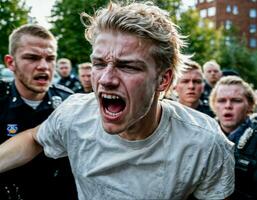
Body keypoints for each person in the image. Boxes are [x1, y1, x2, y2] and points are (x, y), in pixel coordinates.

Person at [0, 2, 234, 200]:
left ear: (164, 79)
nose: (106, 79)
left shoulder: (205, 143)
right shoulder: (74, 114)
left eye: (127, 66)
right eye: (99, 64)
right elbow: (34, 138)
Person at [0, 24, 77, 200]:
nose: (43, 66)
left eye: (50, 58)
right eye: (32, 58)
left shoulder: (68, 102)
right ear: (11, 63)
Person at [209, 75, 257, 199]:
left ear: (250, 105)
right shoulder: (200, 135)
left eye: (236, 100)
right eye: (221, 100)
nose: (228, 105)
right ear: (213, 105)